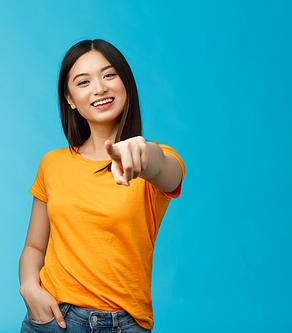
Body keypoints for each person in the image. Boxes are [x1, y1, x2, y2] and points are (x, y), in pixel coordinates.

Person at [19, 39, 185, 333]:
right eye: (83, 82)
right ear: (69, 98)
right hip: (55, 319)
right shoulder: (52, 164)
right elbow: (34, 246)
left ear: (126, 84)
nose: (99, 88)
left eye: (109, 75)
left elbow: (167, 172)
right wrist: (30, 288)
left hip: (125, 323)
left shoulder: (151, 160)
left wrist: (145, 156)